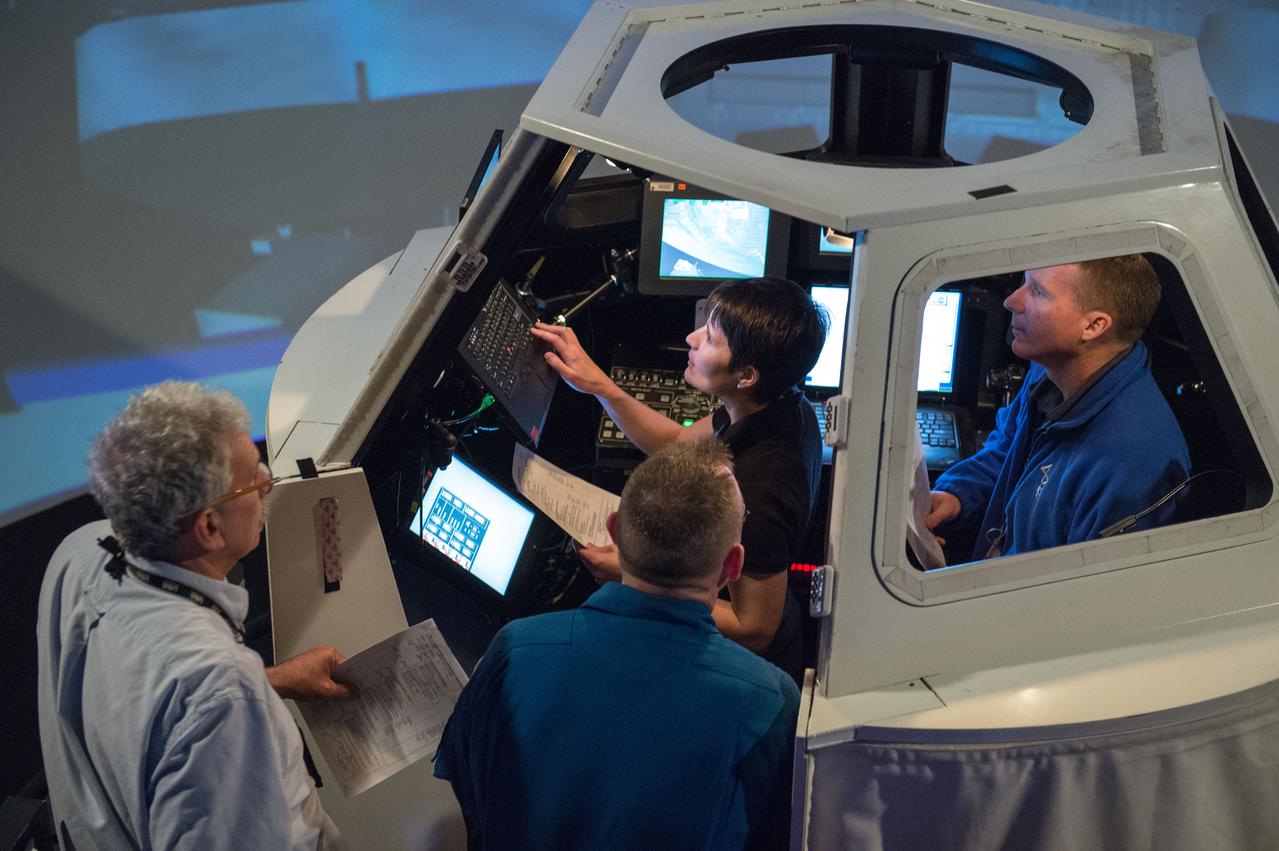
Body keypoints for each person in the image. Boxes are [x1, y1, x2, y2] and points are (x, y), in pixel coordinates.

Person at [434, 439, 799, 850]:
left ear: (613, 532)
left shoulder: (513, 651)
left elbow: (467, 789)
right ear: (733, 566)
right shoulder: (772, 702)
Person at [37, 381, 355, 850]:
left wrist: (273, 680)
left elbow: (143, 696)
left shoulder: (78, 552)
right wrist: (240, 691)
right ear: (208, 526)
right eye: (253, 479)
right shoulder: (220, 690)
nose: (267, 482)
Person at [530, 276, 827, 683]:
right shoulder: (773, 404)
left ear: (746, 375)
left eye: (710, 338)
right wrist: (597, 384)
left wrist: (634, 576)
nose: (691, 338)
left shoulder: (764, 486)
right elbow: (677, 442)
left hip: (744, 671)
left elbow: (755, 628)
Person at [925, 255, 1190, 561]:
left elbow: (1092, 598)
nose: (1012, 301)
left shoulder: (1133, 464)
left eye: (1037, 291)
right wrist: (958, 495)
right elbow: (1007, 449)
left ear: (1093, 325)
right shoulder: (1051, 369)